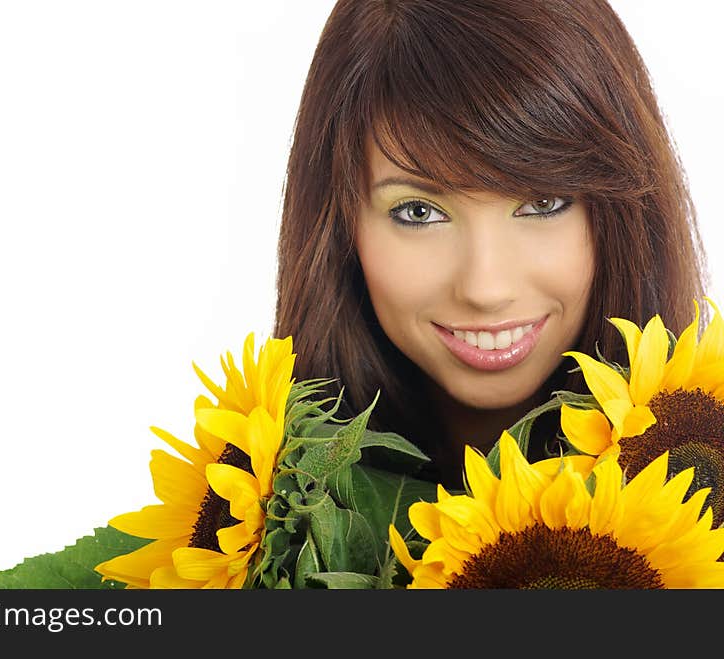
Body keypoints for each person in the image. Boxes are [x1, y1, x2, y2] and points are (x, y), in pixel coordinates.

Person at [272, 0, 709, 489]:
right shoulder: (243, 545)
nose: (486, 287)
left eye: (542, 203)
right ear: (339, 226)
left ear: (623, 214)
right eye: (419, 212)